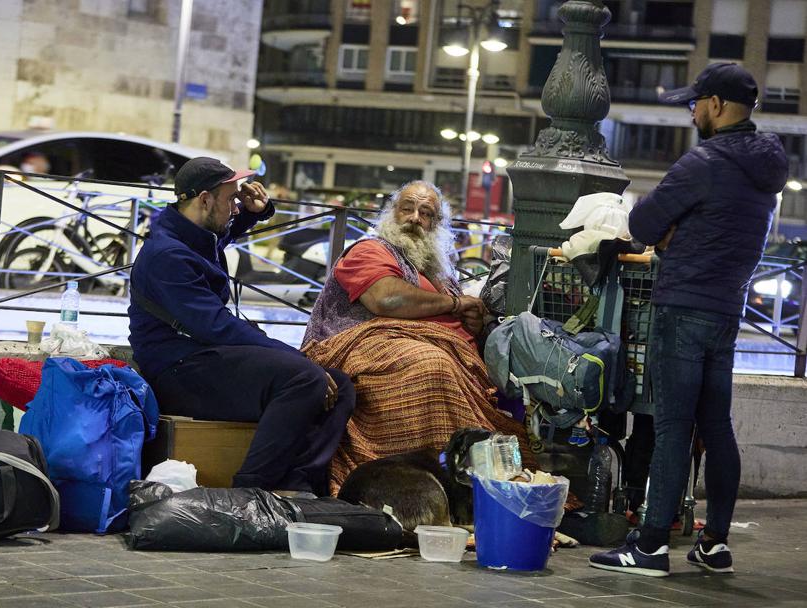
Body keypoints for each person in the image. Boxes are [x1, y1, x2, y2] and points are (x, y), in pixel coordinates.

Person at [589, 63, 788, 577]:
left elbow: (641, 223)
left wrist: (670, 232)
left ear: (717, 106)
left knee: (672, 426)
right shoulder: (768, 171)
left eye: (695, 103)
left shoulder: (703, 162)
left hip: (682, 307)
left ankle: (651, 544)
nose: (692, 111)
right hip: (727, 310)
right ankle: (715, 543)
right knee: (717, 428)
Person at [128, 157, 355, 495]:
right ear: (205, 200)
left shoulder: (191, 234)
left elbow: (220, 238)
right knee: (304, 377)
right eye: (230, 199)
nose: (235, 207)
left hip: (206, 356)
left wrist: (254, 212)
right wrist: (299, 359)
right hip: (177, 370)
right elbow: (216, 327)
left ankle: (297, 485)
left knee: (339, 385)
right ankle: (249, 489)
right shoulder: (167, 255)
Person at [302, 180, 537, 493]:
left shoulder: (439, 273)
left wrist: (474, 323)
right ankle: (430, 484)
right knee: (432, 365)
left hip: (436, 353)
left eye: (425, 213)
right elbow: (386, 299)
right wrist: (454, 305)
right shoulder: (370, 250)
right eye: (407, 208)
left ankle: (472, 483)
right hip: (361, 346)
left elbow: (460, 321)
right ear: (392, 213)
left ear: (436, 225)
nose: (414, 218)